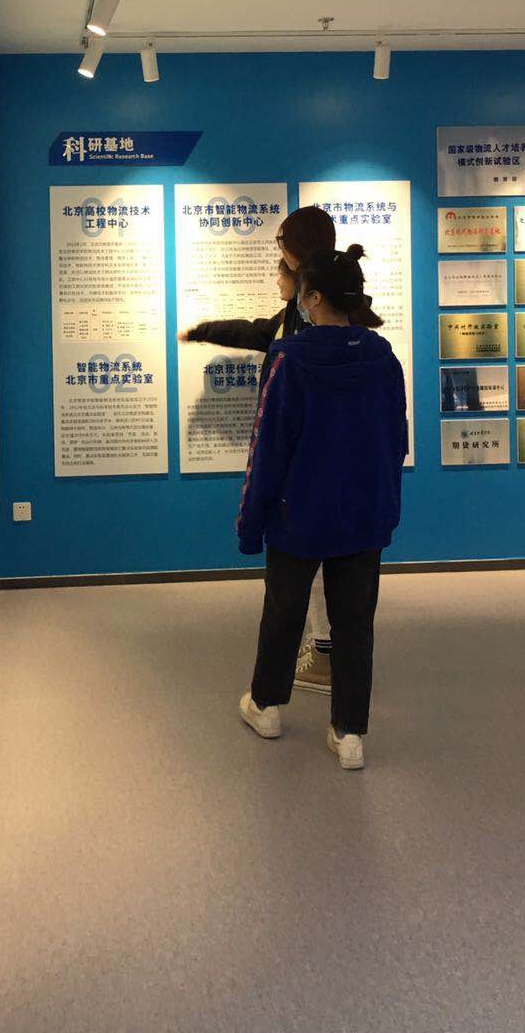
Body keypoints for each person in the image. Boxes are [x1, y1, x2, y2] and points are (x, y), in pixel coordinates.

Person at [235, 245, 408, 770]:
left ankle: (267, 705)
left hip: (299, 514)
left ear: (312, 298)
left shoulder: (290, 359)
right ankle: (350, 733)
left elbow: (268, 448)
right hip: (363, 515)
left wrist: (250, 522)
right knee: (355, 622)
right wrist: (384, 507)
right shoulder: (383, 358)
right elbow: (395, 441)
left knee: (283, 610)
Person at [180, 206, 338, 693]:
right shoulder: (298, 316)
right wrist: (204, 330)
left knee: (307, 567)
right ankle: (324, 653)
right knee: (312, 565)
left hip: (309, 463)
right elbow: (256, 332)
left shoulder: (319, 329)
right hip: (301, 461)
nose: (277, 269)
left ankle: (319, 661)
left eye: (282, 256)